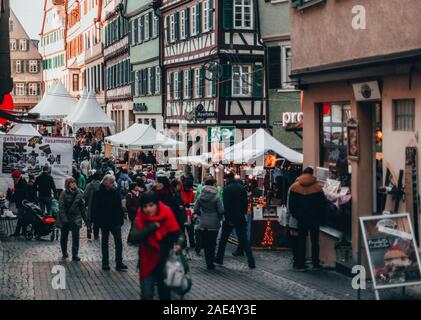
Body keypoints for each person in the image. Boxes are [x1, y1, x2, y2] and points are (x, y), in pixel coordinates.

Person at [127, 191, 185, 300]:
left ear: (156, 205)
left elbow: (179, 234)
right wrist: (152, 226)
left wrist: (179, 244)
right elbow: (132, 238)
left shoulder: (167, 214)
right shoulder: (140, 218)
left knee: (165, 295)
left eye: (151, 205)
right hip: (147, 261)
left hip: (165, 262)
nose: (148, 209)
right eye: (145, 206)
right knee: (147, 294)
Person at [288, 167, 328, 271]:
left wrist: (298, 216)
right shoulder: (317, 187)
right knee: (315, 242)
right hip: (314, 219)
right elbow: (322, 204)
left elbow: (291, 205)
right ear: (312, 174)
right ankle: (315, 263)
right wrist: (319, 216)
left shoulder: (294, 187)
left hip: (302, 219)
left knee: (302, 241)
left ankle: (300, 264)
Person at [215, 172, 256, 269]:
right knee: (244, 240)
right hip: (240, 217)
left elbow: (227, 205)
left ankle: (219, 258)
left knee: (223, 239)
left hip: (230, 218)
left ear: (228, 179)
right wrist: (243, 214)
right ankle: (251, 260)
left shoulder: (227, 189)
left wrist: (228, 218)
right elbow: (245, 203)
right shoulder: (242, 188)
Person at [91, 174, 128, 271]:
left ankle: (119, 263)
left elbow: (119, 207)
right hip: (104, 222)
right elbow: (94, 209)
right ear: (106, 183)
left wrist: (120, 219)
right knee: (105, 243)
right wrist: (96, 222)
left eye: (114, 182)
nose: (113, 184)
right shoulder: (98, 193)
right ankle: (105, 263)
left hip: (115, 221)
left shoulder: (115, 193)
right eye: (112, 182)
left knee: (119, 242)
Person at [194, 178, 224, 270]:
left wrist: (202, 215)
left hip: (203, 222)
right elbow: (221, 210)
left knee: (206, 243)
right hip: (214, 223)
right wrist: (219, 217)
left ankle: (208, 262)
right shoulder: (216, 196)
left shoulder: (201, 195)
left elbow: (195, 209)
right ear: (213, 185)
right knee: (212, 242)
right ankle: (210, 262)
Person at [58, 177, 86, 261]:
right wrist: (64, 219)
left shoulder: (80, 193)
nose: (74, 183)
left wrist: (86, 221)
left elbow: (82, 208)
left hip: (76, 218)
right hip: (65, 218)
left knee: (76, 237)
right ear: (68, 184)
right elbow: (61, 207)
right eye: (71, 182)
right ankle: (64, 251)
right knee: (64, 236)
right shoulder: (63, 193)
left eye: (74, 182)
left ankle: (75, 254)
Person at [84, 171, 102, 240]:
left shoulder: (89, 185)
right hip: (99, 205)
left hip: (90, 204)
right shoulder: (101, 185)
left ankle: (89, 229)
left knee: (89, 218)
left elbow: (85, 195)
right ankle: (96, 235)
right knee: (97, 220)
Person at [11, 170, 29, 237]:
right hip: (19, 202)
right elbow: (16, 192)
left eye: (14, 177)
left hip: (23, 202)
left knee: (20, 217)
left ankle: (17, 232)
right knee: (22, 217)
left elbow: (24, 192)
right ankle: (24, 231)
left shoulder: (23, 182)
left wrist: (15, 190)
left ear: (17, 177)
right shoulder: (16, 182)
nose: (13, 179)